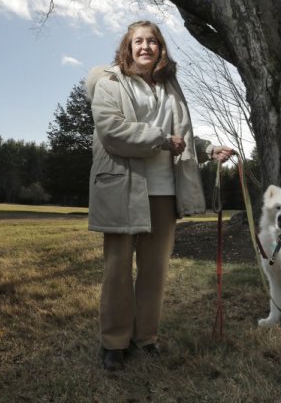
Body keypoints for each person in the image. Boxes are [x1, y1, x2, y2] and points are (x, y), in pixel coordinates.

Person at [86, 20, 233, 372]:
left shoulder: (169, 86)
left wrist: (208, 148)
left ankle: (146, 337)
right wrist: (163, 141)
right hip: (122, 186)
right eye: (138, 41)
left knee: (154, 270)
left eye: (152, 41)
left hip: (165, 191)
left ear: (160, 48)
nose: (146, 47)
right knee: (118, 269)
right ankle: (115, 343)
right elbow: (112, 131)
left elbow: (181, 135)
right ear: (128, 46)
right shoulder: (109, 82)